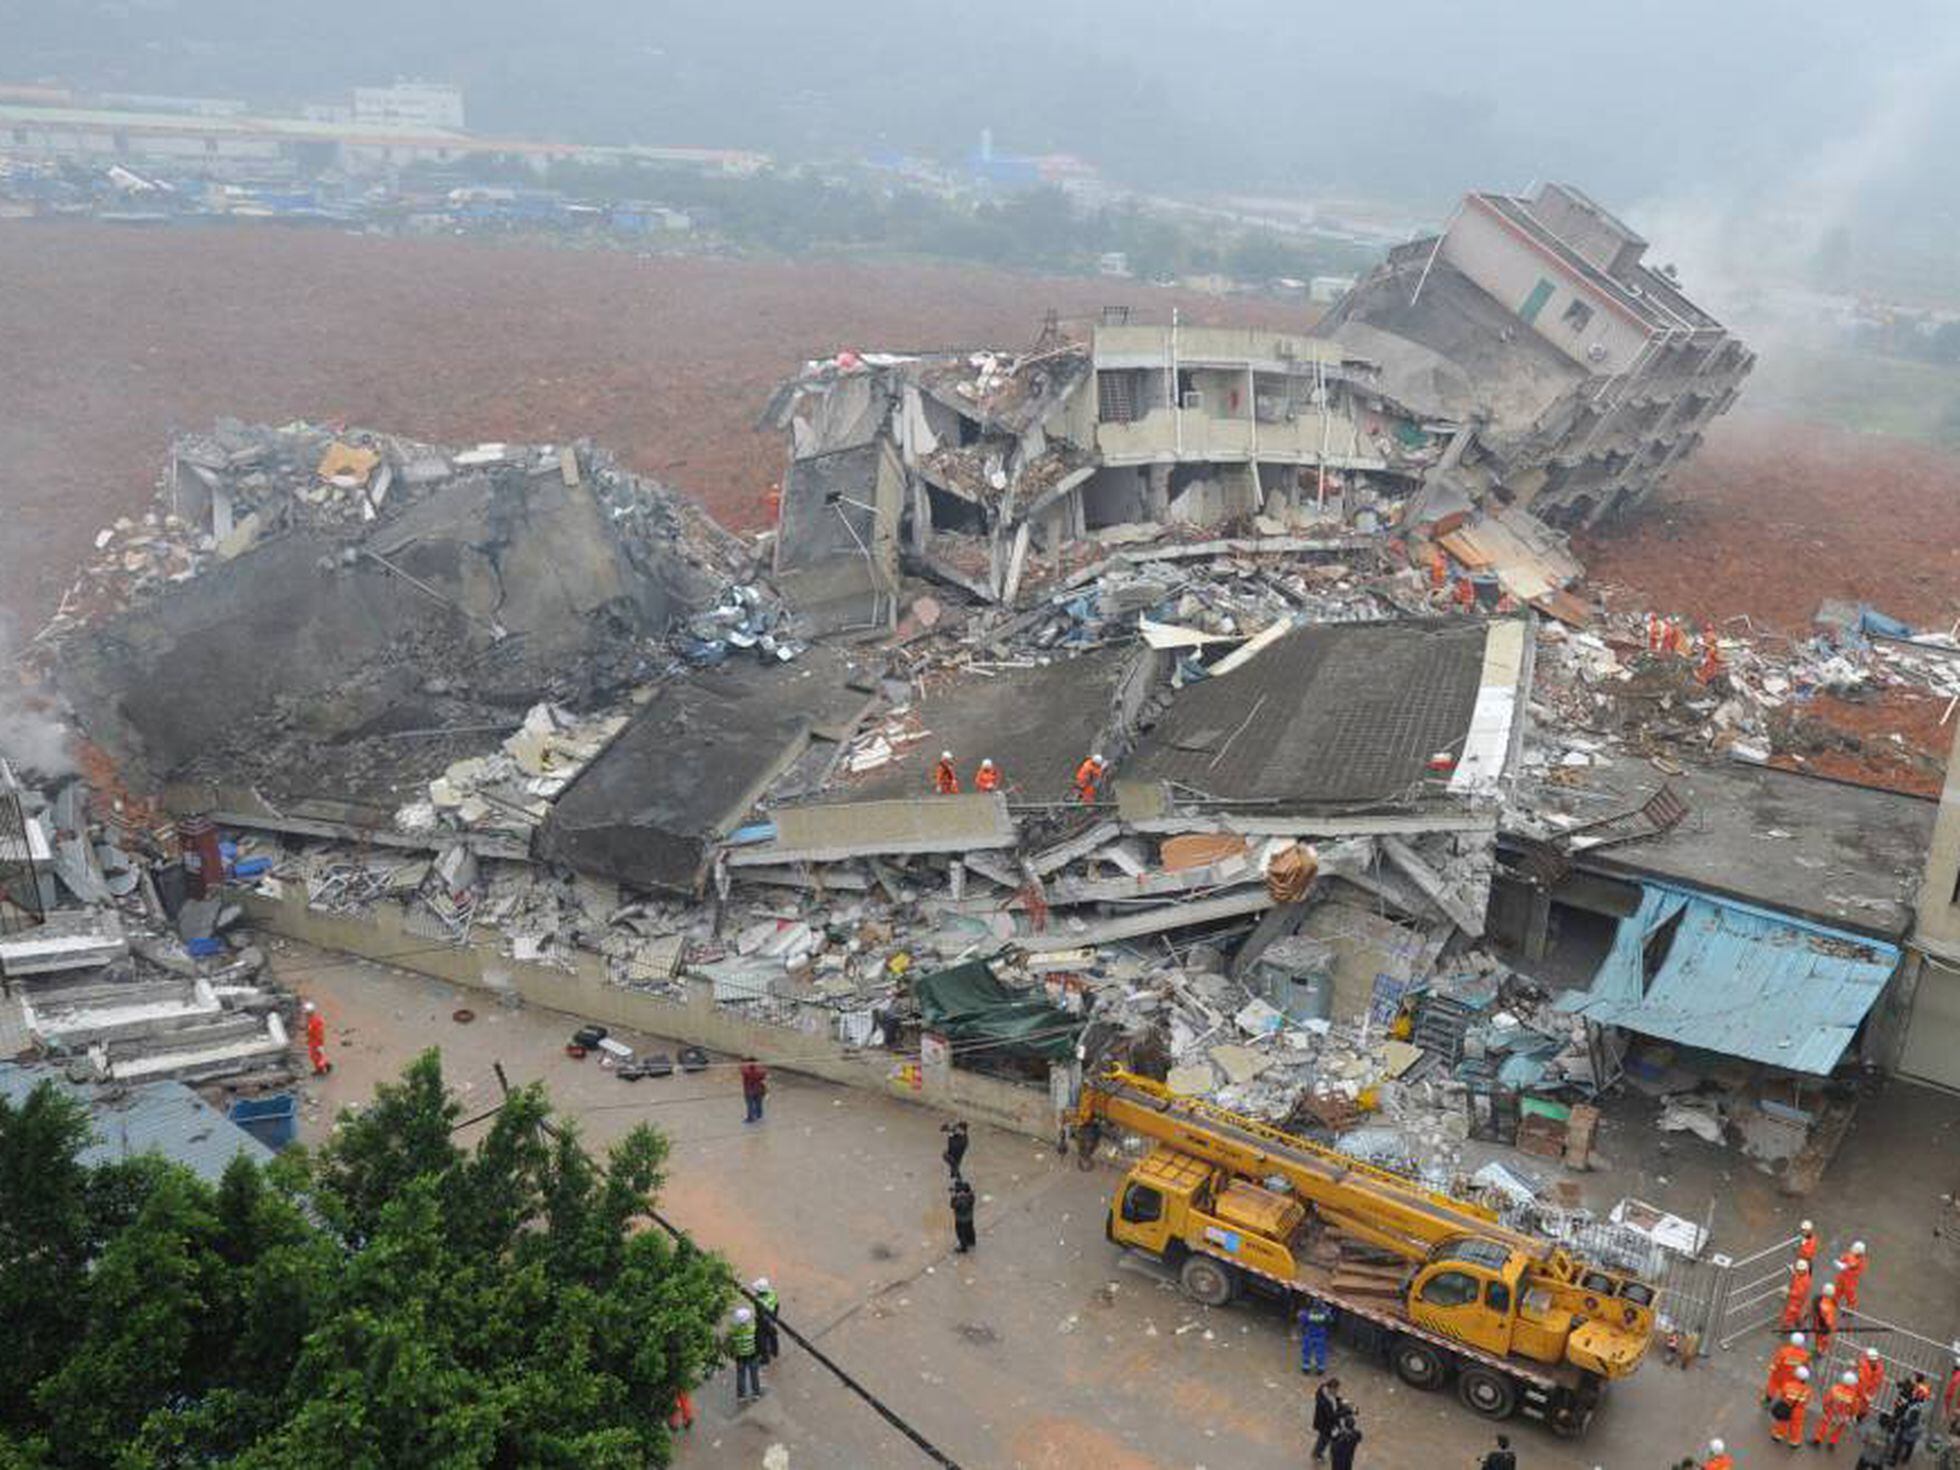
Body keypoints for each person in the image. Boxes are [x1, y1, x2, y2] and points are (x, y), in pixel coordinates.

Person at [1817, 1369, 1862, 1448]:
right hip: (1843, 1415)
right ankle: (1832, 1443)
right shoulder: (1854, 1395)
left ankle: (1818, 1439)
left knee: (1824, 1425)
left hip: (1831, 1412)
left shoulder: (1835, 1389)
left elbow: (1827, 1400)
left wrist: (1825, 1409)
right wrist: (1852, 1415)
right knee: (1838, 1429)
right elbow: (1854, 1406)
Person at [1772, 1363, 1813, 1447]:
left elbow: (1782, 1395)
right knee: (1796, 1426)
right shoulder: (1808, 1390)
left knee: (1782, 1422)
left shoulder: (1788, 1385)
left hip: (1786, 1407)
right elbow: (1807, 1401)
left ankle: (1778, 1436)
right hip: (1799, 1411)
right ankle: (1794, 1441)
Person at [728, 1306, 763, 1404]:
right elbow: (758, 1342)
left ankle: (741, 1396)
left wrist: (732, 1353)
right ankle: (756, 1393)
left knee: (740, 1376)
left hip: (740, 1357)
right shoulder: (752, 1329)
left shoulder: (734, 1332)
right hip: (752, 1355)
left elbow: (731, 1344)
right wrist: (760, 1353)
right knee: (754, 1375)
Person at [1766, 1332, 1809, 1404]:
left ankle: (1768, 1400)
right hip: (1792, 1376)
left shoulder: (1784, 1351)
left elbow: (1776, 1362)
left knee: (1772, 1386)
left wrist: (1771, 1369)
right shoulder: (1805, 1355)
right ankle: (1783, 1402)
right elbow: (1804, 1366)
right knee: (1786, 1389)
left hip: (1779, 1374)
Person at [1309, 1377, 1345, 1461]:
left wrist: (1339, 1401)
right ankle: (1317, 1454)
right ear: (1331, 1388)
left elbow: (1335, 1402)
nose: (1337, 1392)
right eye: (1336, 1390)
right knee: (1323, 1440)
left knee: (1329, 1438)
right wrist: (1345, 1412)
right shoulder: (1325, 1402)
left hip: (1328, 1424)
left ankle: (1329, 1452)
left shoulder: (1326, 1394)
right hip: (1325, 1425)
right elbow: (1331, 1416)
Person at [1298, 1296, 1334, 1376]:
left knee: (1306, 1352)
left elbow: (1301, 1319)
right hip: (1320, 1336)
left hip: (1309, 1335)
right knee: (1320, 1352)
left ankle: (1306, 1367)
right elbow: (1330, 1321)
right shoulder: (1324, 1315)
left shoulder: (1308, 1314)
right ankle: (1320, 1368)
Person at [751, 1277, 780, 1363]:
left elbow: (759, 1313)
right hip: (772, 1318)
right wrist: (774, 1318)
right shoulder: (772, 1293)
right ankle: (775, 1351)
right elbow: (777, 1305)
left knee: (761, 1339)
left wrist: (759, 1321)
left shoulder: (759, 1300)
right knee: (772, 1335)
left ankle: (765, 1358)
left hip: (763, 1321)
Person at [1834, 1240, 1868, 1311]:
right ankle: (1834, 1301)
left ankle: (1851, 1307)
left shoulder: (1861, 1260)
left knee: (1849, 1293)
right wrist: (1841, 1260)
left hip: (1851, 1279)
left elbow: (1853, 1265)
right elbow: (1844, 1257)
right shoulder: (1851, 1254)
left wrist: (1844, 1265)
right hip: (1842, 1276)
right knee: (1838, 1289)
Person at [1782, 1258, 1814, 1330]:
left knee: (1790, 1315)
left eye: (1799, 1270)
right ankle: (1799, 1323)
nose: (1798, 1271)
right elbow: (1797, 1276)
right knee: (1798, 1314)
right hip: (1799, 1301)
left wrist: (1788, 1292)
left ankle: (1787, 1327)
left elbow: (1799, 1294)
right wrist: (1792, 1270)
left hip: (1797, 1301)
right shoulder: (1803, 1275)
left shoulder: (1804, 1281)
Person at [302, 1000, 331, 1076]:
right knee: (316, 1056)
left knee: (316, 1056)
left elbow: (317, 1033)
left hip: (316, 1042)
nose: (305, 1014)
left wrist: (319, 1043)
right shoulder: (312, 1020)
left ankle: (322, 1068)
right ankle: (323, 1067)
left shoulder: (315, 1021)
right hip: (313, 1041)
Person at [1859, 1346, 1887, 1420]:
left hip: (1869, 1391)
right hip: (1861, 1389)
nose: (1873, 1362)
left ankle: (1860, 1416)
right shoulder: (1864, 1364)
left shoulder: (1879, 1369)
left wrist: (1869, 1394)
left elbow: (1876, 1382)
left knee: (1864, 1407)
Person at [1813, 1280, 1840, 1354]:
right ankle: (1821, 1350)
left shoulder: (1818, 1300)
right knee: (1824, 1339)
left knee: (1818, 1337)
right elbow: (1829, 1321)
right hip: (1824, 1326)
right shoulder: (1830, 1305)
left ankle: (1818, 1348)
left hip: (1818, 1323)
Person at [950, 1179, 977, 1253]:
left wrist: (954, 1197)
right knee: (970, 1230)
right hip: (969, 1218)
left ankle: (963, 1247)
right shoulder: (971, 1196)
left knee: (961, 1233)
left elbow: (953, 1205)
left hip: (961, 1220)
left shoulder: (961, 1200)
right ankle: (971, 1241)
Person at [740, 1056, 768, 1124]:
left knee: (750, 1105)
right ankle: (759, 1116)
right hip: (759, 1089)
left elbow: (743, 1071)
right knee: (759, 1104)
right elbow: (764, 1075)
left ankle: (751, 1118)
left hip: (749, 1090)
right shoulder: (761, 1070)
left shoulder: (745, 1070)